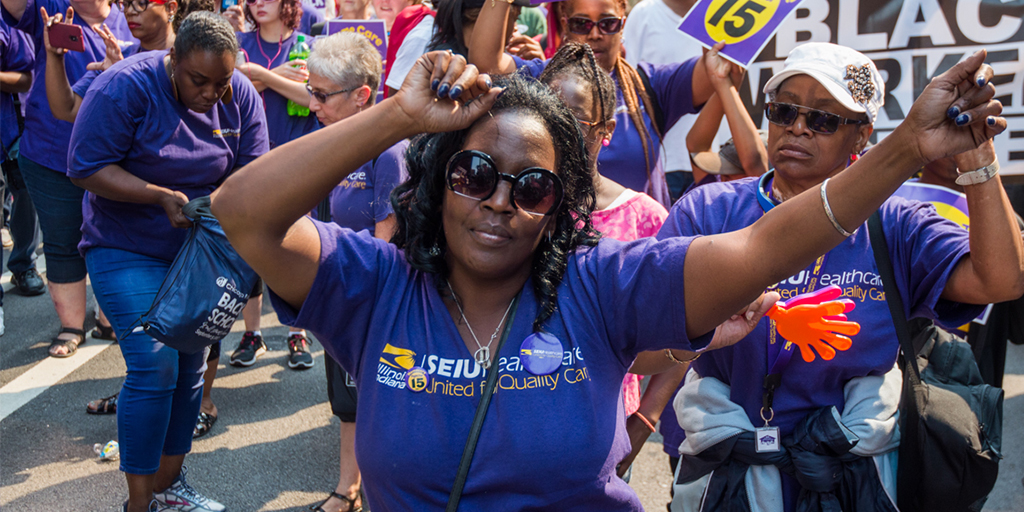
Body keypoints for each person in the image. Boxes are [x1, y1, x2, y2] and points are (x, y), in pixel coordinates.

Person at [210, 43, 1007, 508]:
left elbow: (764, 249)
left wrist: (906, 149)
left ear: (560, 207)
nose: (498, 203)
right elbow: (242, 212)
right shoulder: (373, 286)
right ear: (437, 180)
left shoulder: (602, 285)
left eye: (532, 187)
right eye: (473, 174)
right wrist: (398, 115)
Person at [660, 43, 1022, 511]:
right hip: (730, 473)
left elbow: (1001, 282)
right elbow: (649, 335)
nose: (797, 127)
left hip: (855, 480)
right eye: (783, 110)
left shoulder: (897, 223)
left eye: (824, 119)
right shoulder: (707, 211)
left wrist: (977, 155)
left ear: (862, 136)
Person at [67, 12, 268, 512]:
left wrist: (225, 208)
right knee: (155, 365)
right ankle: (139, 503)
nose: (211, 95)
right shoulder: (123, 87)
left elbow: (255, 174)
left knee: (189, 364)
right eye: (198, 80)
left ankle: (169, 488)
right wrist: (158, 195)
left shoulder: (239, 95)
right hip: (124, 245)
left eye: (221, 82)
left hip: (199, 253)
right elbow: (84, 167)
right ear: (172, 59)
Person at [537, 42, 691, 481]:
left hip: (603, 429)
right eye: (547, 115)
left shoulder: (647, 219)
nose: (558, 131)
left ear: (605, 129)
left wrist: (643, 421)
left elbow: (684, 335)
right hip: (512, 412)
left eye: (574, 121)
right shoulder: (514, 204)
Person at [467, 0, 716, 207]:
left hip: (633, 249)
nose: (595, 34)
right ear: (565, 24)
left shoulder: (650, 86)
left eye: (608, 23)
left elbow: (713, 70)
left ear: (623, 25)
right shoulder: (542, 78)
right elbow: (486, 64)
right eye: (581, 23)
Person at [305, 30, 405, 512]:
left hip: (369, 296)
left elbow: (387, 239)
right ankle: (352, 485)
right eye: (310, 90)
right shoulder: (331, 136)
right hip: (338, 287)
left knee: (374, 397)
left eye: (321, 94)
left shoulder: (387, 151)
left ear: (362, 96)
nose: (311, 103)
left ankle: (354, 490)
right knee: (347, 399)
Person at [2, 0, 135, 358]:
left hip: (117, 158)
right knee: (62, 243)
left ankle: (110, 319)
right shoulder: (50, 6)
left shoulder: (132, 16)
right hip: (50, 153)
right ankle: (72, 326)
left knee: (117, 239)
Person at [234, 0, 319, 370]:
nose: (257, 3)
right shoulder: (238, 42)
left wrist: (263, 76)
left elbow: (312, 98)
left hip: (298, 161)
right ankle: (252, 334)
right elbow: (229, 90)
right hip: (250, 161)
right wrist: (276, 77)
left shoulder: (307, 46)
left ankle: (296, 332)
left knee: (295, 248)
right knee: (249, 248)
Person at [1, 18, 44, 300]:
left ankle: (23, 264)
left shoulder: (7, 20)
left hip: (9, 129)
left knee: (25, 193)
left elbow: (27, 76)